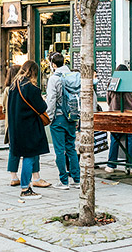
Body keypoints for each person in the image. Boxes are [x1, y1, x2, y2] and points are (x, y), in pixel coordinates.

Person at [6, 60, 49, 200]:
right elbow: (42, 107)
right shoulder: (31, 87)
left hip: (16, 126)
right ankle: (25, 188)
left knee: (23, 155)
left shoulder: (13, 86)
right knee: (30, 156)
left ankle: (25, 185)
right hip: (29, 127)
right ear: (34, 72)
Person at [45, 52, 80, 189]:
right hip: (72, 116)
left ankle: (63, 181)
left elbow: (51, 100)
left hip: (58, 117)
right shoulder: (73, 76)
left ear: (53, 64)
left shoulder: (54, 78)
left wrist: (49, 117)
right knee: (71, 148)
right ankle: (77, 179)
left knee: (59, 150)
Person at [106, 64, 132, 169]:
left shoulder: (112, 82)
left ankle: (111, 164)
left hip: (115, 114)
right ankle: (131, 165)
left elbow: (108, 100)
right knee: (130, 139)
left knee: (115, 139)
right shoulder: (131, 83)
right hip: (129, 114)